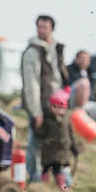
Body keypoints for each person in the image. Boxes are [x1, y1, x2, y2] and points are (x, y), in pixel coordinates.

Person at [20, 15, 68, 183]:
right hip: (40, 104)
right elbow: (31, 83)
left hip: (57, 103)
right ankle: (34, 177)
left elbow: (60, 76)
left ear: (52, 29)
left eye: (44, 27)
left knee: (60, 141)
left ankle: (61, 177)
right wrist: (36, 112)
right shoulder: (32, 52)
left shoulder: (57, 48)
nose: (41, 30)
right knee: (34, 142)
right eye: (39, 27)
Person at [35, 89, 76, 191]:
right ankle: (44, 186)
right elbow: (41, 133)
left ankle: (64, 185)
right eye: (55, 107)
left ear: (65, 108)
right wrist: (36, 125)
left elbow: (70, 134)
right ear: (51, 106)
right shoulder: (47, 119)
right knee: (46, 168)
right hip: (49, 151)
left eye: (61, 108)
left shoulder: (66, 119)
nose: (58, 110)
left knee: (60, 169)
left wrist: (73, 147)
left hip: (62, 152)